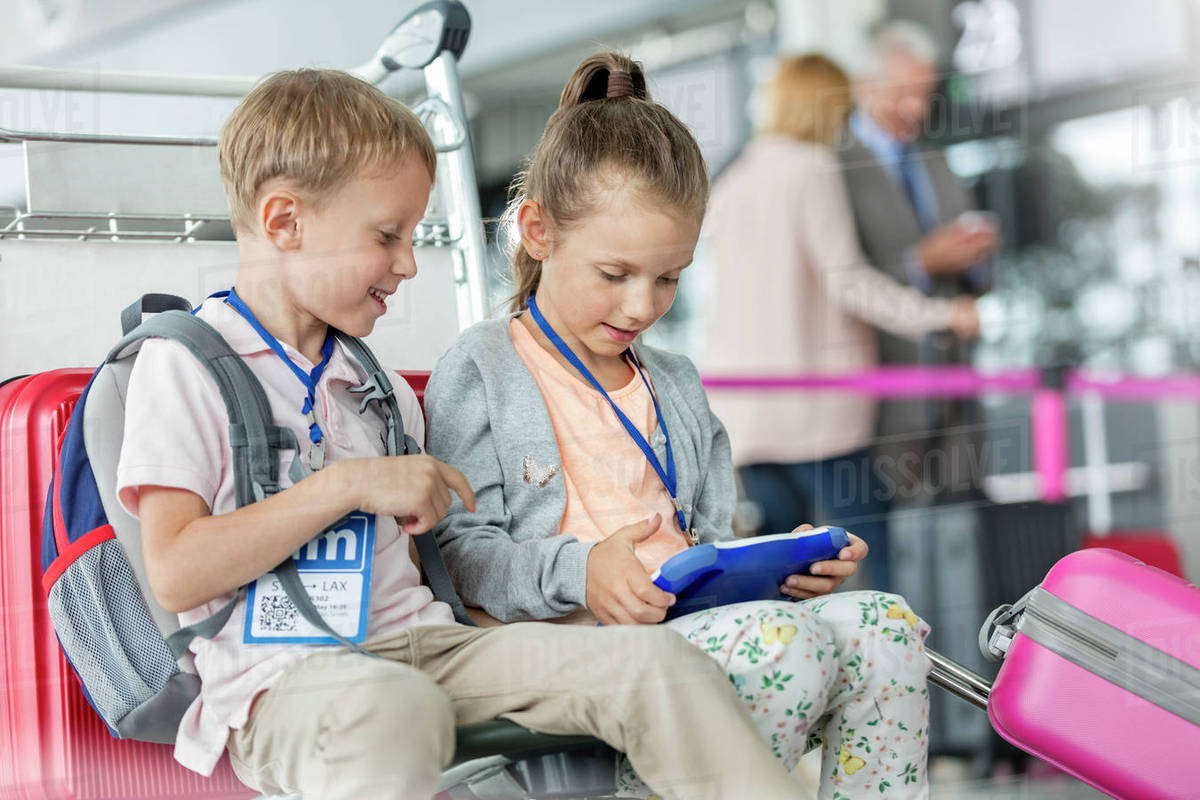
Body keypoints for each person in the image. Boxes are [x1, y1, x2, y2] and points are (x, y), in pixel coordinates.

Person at [115, 68, 820, 800]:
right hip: (286, 682)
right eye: (387, 235)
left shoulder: (368, 382)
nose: (409, 263)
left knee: (658, 665)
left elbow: (448, 561)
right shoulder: (184, 364)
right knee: (394, 708)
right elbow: (175, 570)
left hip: (430, 648)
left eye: (413, 236)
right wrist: (348, 485)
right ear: (284, 221)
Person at [427, 52, 933, 799]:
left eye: (668, 278)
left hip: (688, 626)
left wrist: (781, 568)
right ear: (536, 230)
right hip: (562, 642)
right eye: (615, 274)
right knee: (779, 647)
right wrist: (582, 570)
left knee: (888, 630)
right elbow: (461, 555)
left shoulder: (674, 383)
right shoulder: (482, 368)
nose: (640, 307)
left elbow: (707, 545)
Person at [700, 53, 979, 593]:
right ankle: (895, 673)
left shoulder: (736, 177)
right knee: (873, 565)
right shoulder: (813, 167)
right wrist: (943, 313)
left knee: (782, 579)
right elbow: (850, 281)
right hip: (817, 411)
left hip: (748, 417)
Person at [839, 21, 999, 503]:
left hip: (957, 395)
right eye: (903, 94)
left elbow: (982, 278)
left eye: (924, 96)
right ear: (865, 85)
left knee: (966, 538)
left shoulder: (936, 163)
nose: (916, 109)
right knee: (895, 545)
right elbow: (842, 281)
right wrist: (919, 263)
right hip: (888, 397)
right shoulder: (835, 168)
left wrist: (974, 258)